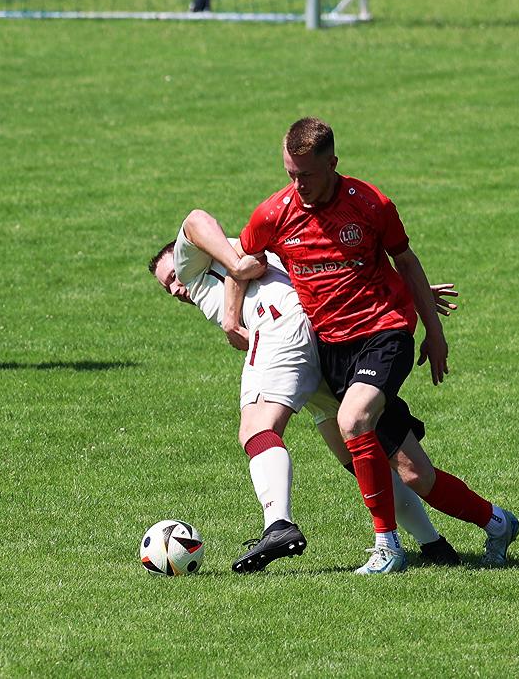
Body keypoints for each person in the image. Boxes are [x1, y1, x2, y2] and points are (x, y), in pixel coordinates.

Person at [235, 117, 519, 575]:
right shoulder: (274, 213)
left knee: (352, 418)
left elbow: (406, 262)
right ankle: (498, 522)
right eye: (290, 173)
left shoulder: (369, 204)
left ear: (333, 164)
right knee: (415, 474)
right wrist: (231, 319)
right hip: (334, 350)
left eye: (307, 175)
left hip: (384, 333)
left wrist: (434, 332)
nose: (298, 185)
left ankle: (387, 548)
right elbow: (242, 262)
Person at [148, 210, 462, 572]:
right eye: (167, 288)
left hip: (279, 328)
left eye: (172, 277)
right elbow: (326, 276)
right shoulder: (265, 253)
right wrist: (403, 291)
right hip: (318, 337)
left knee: (256, 429)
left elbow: (195, 219)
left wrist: (235, 268)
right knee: (356, 456)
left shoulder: (196, 268)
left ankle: (278, 525)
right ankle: (434, 544)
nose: (176, 288)